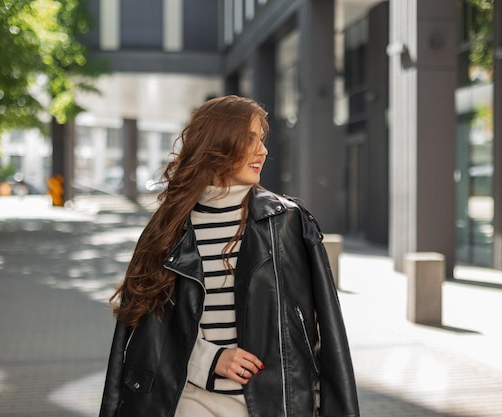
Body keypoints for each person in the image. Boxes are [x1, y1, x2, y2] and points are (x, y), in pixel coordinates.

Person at [99, 95, 360, 417]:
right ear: (218, 143)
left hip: (272, 404)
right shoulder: (168, 227)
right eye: (250, 139)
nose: (262, 151)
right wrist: (208, 359)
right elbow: (147, 325)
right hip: (186, 400)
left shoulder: (286, 222)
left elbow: (320, 330)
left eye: (261, 140)